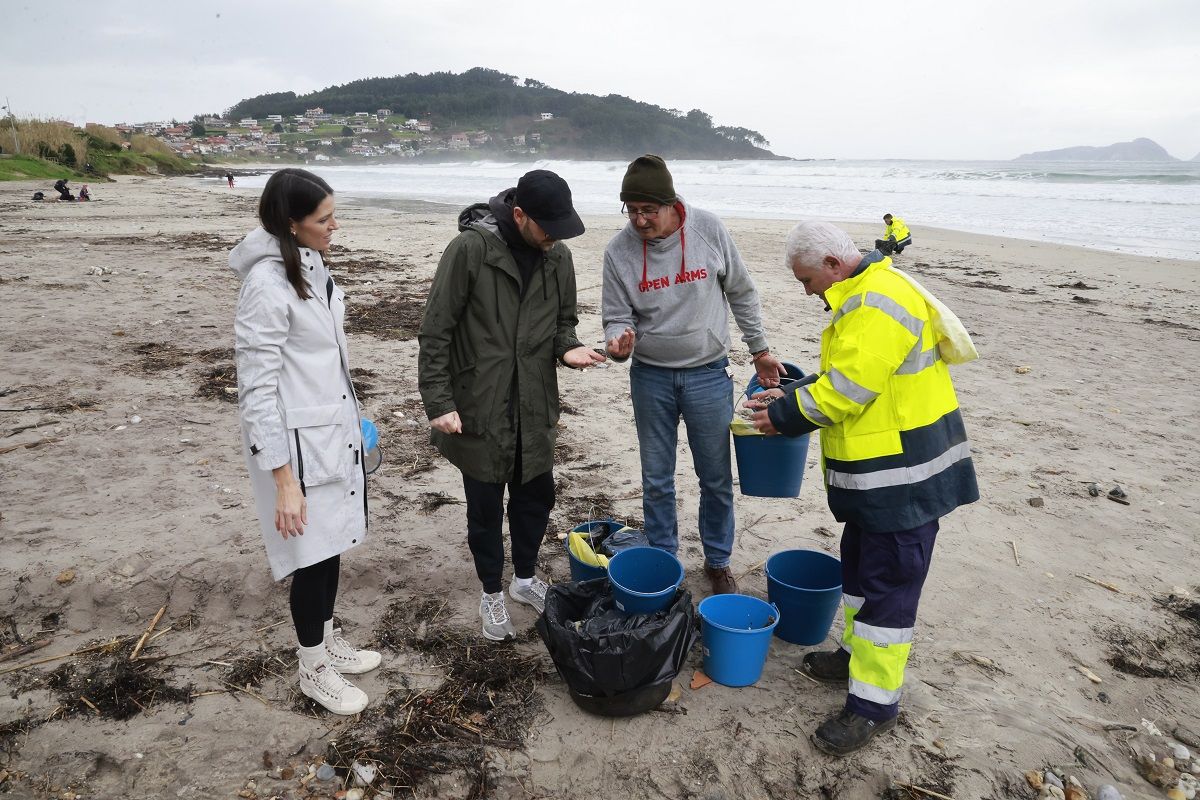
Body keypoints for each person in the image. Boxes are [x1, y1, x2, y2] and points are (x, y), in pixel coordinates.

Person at [748, 221, 978, 756]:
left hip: (905, 480)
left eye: (808, 280)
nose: (808, 292)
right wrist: (796, 390)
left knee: (888, 593)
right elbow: (856, 377)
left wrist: (783, 415)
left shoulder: (876, 302)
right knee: (859, 574)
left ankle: (873, 706)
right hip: (877, 480)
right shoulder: (862, 295)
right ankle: (853, 658)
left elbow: (848, 392)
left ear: (832, 265)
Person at [418, 169, 604, 641]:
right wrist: (438, 400)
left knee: (536, 497)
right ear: (519, 214)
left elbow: (564, 322)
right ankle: (490, 593)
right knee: (484, 506)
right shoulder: (470, 251)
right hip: (479, 403)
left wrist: (568, 349)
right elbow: (436, 330)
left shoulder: (557, 257)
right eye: (548, 227)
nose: (555, 238)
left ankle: (523, 579)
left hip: (535, 401)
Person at [230, 168, 380, 715]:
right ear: (291, 224)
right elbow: (257, 389)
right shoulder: (266, 286)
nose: (334, 226)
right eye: (324, 219)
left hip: (330, 430)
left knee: (333, 543)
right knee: (310, 556)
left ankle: (327, 639)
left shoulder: (311, 268)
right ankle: (312, 667)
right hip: (295, 448)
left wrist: (352, 423)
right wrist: (283, 478)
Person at [601, 155, 785, 595]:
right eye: (632, 210)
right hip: (650, 377)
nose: (640, 220)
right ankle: (663, 558)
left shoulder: (708, 230)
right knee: (656, 477)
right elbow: (614, 316)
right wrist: (618, 341)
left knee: (716, 477)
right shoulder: (618, 251)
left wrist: (759, 349)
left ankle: (717, 560)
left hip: (707, 375)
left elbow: (741, 291)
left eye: (649, 209)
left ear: (670, 204)